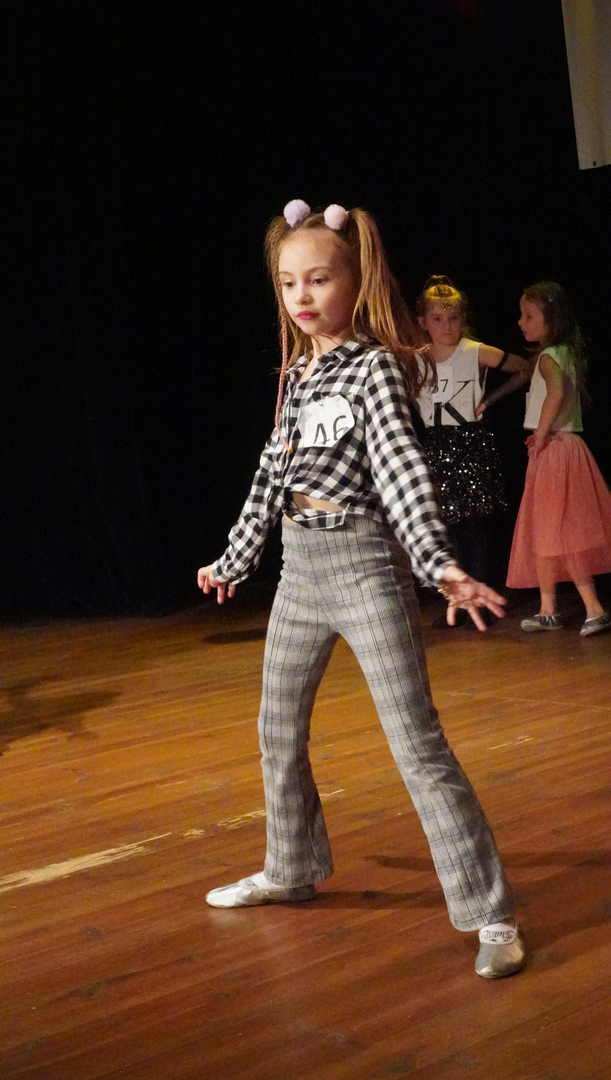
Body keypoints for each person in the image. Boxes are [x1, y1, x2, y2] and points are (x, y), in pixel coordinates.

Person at [197, 200, 525, 979]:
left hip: (363, 566)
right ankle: (290, 869)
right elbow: (271, 475)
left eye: (318, 279)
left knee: (416, 743)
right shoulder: (297, 375)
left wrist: (437, 563)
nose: (302, 296)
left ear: (355, 280)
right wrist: (234, 558)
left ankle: (490, 912)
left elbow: (400, 467)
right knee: (277, 731)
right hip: (298, 572)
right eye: (288, 283)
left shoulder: (374, 367)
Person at [415, 276, 532, 623]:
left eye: (453, 318)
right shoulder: (415, 359)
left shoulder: (475, 351)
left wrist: (489, 400)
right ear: (423, 322)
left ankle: (479, 600)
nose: (447, 326)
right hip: (437, 444)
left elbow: (526, 368)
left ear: (463, 319)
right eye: (437, 319)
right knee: (447, 527)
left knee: (476, 526)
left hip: (470, 441)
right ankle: (456, 600)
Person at [504, 281, 611, 636]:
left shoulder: (549, 357)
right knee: (549, 531)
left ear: (551, 320)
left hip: (554, 450)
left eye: (529, 316)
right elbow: (575, 396)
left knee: (560, 532)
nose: (521, 322)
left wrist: (541, 434)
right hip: (568, 447)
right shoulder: (566, 353)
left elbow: (556, 393)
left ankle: (594, 608)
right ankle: (548, 609)